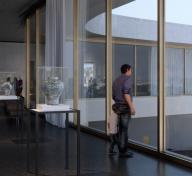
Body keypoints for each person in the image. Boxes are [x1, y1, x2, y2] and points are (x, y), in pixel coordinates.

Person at [110, 64, 135, 157]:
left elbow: (113, 96)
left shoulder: (116, 80)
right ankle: (123, 151)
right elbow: (126, 94)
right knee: (124, 130)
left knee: (119, 130)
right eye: (131, 70)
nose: (131, 72)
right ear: (127, 70)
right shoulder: (128, 79)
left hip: (117, 107)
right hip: (124, 108)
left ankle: (120, 149)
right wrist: (131, 107)